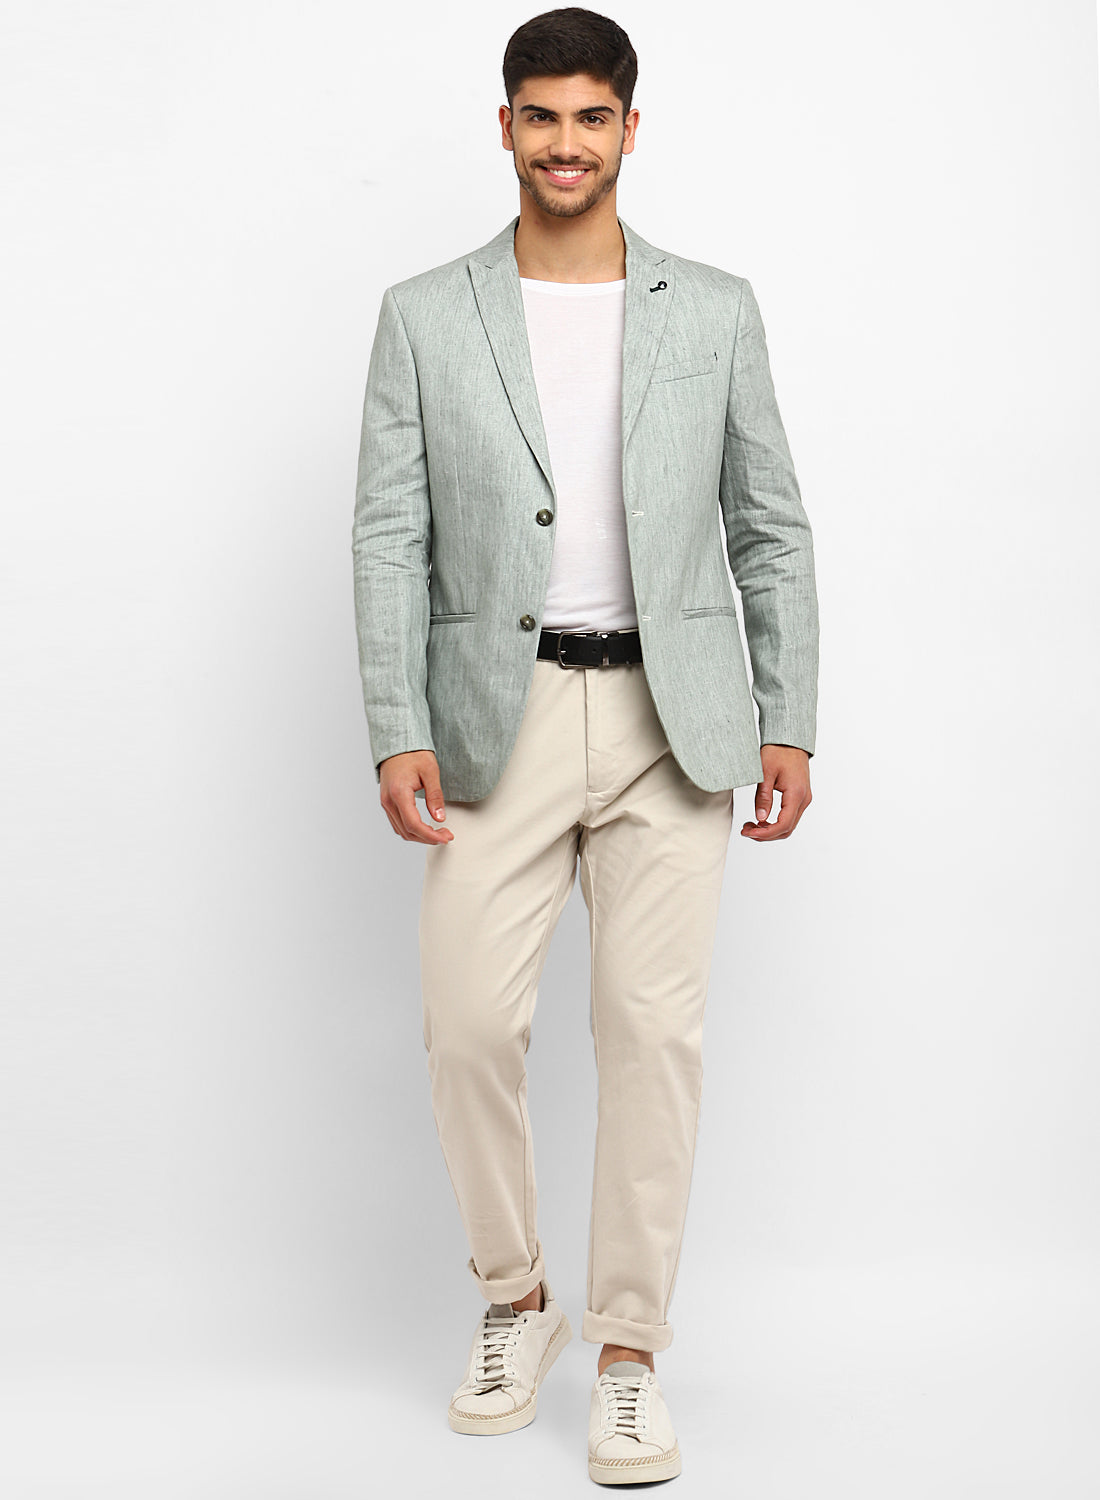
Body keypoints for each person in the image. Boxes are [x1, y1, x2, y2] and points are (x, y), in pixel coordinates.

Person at [351, 7, 819, 1484]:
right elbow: (389, 535)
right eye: (541, 117)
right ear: (505, 127)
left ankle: (627, 1352)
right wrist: (395, 722)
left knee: (651, 1040)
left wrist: (790, 716)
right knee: (468, 1027)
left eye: (591, 117)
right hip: (495, 716)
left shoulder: (714, 309)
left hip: (677, 722)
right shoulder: (424, 314)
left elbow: (769, 524)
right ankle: (516, 1298)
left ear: (629, 128)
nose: (566, 143)